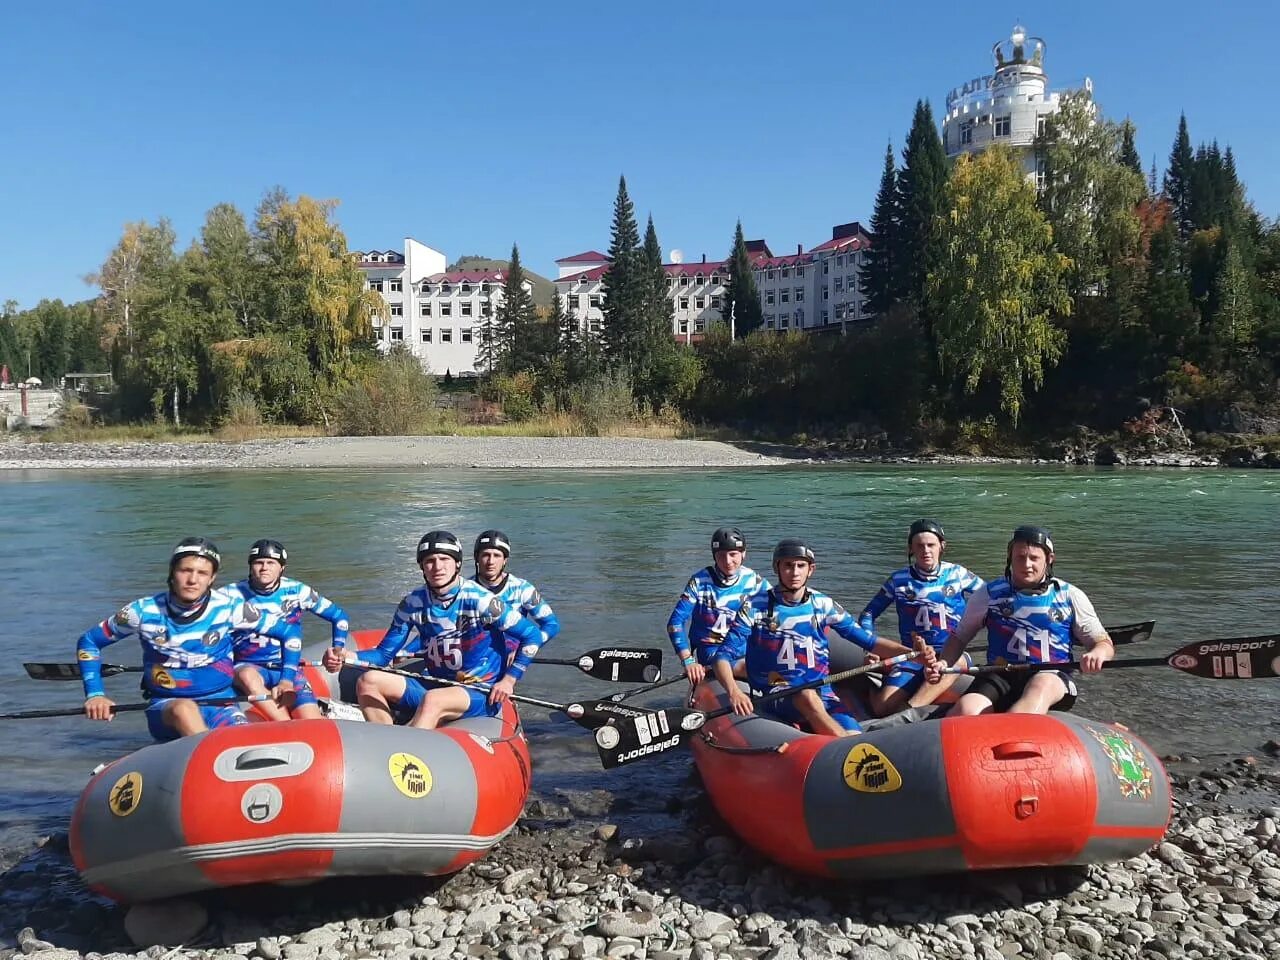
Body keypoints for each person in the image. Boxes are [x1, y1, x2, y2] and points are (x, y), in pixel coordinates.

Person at [77, 537, 295, 741]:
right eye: (185, 570)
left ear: (212, 578)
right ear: (173, 572)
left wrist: (286, 679)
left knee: (246, 741)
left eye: (202, 573)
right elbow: (89, 642)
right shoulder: (141, 612)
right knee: (184, 708)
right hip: (166, 708)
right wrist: (95, 694)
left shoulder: (230, 609)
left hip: (222, 704)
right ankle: (207, 753)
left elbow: (288, 633)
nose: (192, 580)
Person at [711, 538, 933, 737]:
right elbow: (722, 656)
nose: (794, 572)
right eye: (788, 565)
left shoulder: (823, 605)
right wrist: (733, 692)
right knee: (805, 696)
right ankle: (844, 749)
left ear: (811, 570)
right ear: (776, 568)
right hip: (779, 693)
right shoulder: (755, 607)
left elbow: (868, 641)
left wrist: (913, 655)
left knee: (852, 730)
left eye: (800, 566)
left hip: (823, 692)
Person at [322, 531, 542, 729]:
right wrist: (347, 657)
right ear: (422, 567)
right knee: (368, 681)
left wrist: (509, 680)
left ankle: (403, 750)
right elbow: (383, 655)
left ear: (457, 564)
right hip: (436, 684)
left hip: (479, 691)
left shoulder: (481, 600)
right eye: (430, 561)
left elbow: (531, 635)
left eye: (444, 559)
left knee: (433, 700)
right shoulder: (412, 604)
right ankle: (386, 737)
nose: (437, 567)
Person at [927, 525, 1114, 715]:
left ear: (1049, 560)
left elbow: (1102, 642)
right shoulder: (989, 594)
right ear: (1010, 558)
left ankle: (1016, 728)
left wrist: (1098, 653)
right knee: (968, 708)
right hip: (1000, 674)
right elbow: (959, 636)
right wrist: (944, 663)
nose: (1026, 565)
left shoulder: (1070, 596)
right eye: (1020, 557)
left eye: (1034, 558)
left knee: (1040, 685)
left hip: (1051, 677)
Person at [858, 519, 984, 716]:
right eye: (920, 546)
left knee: (956, 662)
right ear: (911, 549)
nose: (926, 551)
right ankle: (868, 688)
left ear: (942, 546)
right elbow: (868, 614)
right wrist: (868, 648)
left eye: (931, 545)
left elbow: (993, 602)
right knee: (881, 707)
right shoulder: (898, 580)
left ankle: (908, 713)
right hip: (913, 656)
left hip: (950, 653)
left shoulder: (959, 574)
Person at [225, 539, 351, 721]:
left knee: (312, 722)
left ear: (282, 568)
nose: (264, 568)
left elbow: (339, 617)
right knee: (247, 676)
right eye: (258, 562)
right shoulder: (229, 595)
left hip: (287, 668)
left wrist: (337, 650)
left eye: (271, 563)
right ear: (250, 566)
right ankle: (285, 724)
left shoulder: (298, 591)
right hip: (247, 665)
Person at [666, 526, 763, 684]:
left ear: (743, 554)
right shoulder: (699, 581)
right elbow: (675, 623)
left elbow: (778, 613)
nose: (727, 561)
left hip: (744, 650)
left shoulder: (754, 580)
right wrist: (688, 661)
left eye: (733, 555)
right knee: (756, 669)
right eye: (721, 555)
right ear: (714, 556)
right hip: (712, 652)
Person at [471, 529, 559, 667]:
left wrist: (526, 649)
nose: (490, 561)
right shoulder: (464, 590)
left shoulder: (522, 589)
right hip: (473, 661)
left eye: (497, 555)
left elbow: (551, 625)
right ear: (477, 558)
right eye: (485, 555)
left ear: (505, 560)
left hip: (509, 662)